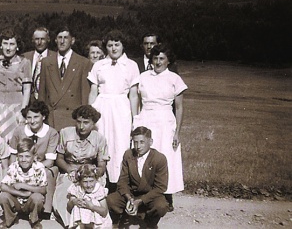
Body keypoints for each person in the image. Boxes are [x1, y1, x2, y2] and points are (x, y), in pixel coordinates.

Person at [133, 44, 187, 212]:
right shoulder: (142, 77)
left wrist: (177, 132)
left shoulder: (174, 79)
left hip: (165, 122)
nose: (158, 62)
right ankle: (143, 195)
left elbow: (179, 108)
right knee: (143, 155)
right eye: (155, 58)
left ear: (168, 60)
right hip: (146, 119)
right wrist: (136, 120)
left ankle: (166, 195)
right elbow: (136, 100)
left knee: (165, 157)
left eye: (162, 58)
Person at [88, 30, 140, 190]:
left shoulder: (131, 65)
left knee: (120, 144)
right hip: (102, 108)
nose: (114, 48)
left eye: (117, 44)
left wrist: (135, 118)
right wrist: (90, 114)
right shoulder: (99, 65)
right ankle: (100, 184)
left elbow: (133, 95)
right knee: (102, 142)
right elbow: (93, 91)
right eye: (110, 45)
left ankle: (119, 185)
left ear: (123, 45)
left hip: (121, 109)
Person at [53, 105, 109, 228]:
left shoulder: (99, 139)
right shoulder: (65, 133)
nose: (81, 126)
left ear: (93, 123)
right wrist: (69, 169)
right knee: (64, 196)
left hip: (90, 173)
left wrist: (92, 173)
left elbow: (101, 166)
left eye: (86, 122)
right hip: (70, 170)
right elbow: (59, 159)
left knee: (92, 196)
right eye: (79, 122)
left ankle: (91, 223)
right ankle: (71, 225)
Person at [107, 126, 169, 229]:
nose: (138, 146)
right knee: (111, 200)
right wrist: (129, 198)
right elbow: (123, 181)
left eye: (142, 142)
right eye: (135, 142)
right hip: (132, 194)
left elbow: (160, 187)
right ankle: (119, 220)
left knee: (161, 206)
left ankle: (150, 223)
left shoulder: (159, 158)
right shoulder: (128, 155)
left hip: (150, 196)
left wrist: (140, 201)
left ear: (150, 142)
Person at [9, 101, 59, 218]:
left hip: (42, 165)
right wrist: (16, 168)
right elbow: (12, 155)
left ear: (44, 117)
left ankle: (46, 210)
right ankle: (16, 206)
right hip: (22, 164)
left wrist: (34, 169)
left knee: (49, 171)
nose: (32, 121)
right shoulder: (19, 131)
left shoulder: (51, 133)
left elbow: (50, 161)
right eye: (29, 117)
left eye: (36, 117)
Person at [38, 26, 93, 130]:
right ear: (55, 40)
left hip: (72, 119)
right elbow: (42, 94)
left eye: (66, 38)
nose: (62, 41)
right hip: (51, 119)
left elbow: (85, 96)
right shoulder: (46, 62)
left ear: (72, 40)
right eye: (59, 37)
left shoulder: (83, 63)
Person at [0, 29, 32, 141]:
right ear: (0, 45)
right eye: (5, 43)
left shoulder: (25, 62)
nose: (8, 47)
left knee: (13, 139)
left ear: (17, 46)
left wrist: (23, 112)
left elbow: (27, 89)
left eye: (11, 44)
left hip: (15, 105)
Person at [0, 138, 47, 229]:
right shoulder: (14, 166)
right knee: (3, 196)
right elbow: (3, 186)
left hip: (30, 202)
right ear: (17, 156)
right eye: (21, 156)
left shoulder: (39, 168)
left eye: (27, 156)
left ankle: (34, 220)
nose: (23, 160)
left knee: (38, 197)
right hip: (16, 202)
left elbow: (43, 189)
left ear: (34, 157)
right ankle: (10, 218)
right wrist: (22, 193)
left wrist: (24, 186)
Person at [67, 164, 112, 229]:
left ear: (96, 180)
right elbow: (69, 208)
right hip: (82, 223)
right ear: (80, 181)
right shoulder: (76, 188)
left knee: (94, 202)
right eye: (85, 182)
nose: (88, 185)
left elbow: (104, 212)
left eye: (91, 181)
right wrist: (74, 201)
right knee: (77, 204)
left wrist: (92, 206)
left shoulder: (98, 190)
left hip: (98, 224)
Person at [22, 27, 56, 100]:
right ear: (32, 40)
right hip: (28, 100)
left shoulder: (55, 58)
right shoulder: (24, 57)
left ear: (48, 40)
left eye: (42, 39)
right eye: (37, 39)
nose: (39, 42)